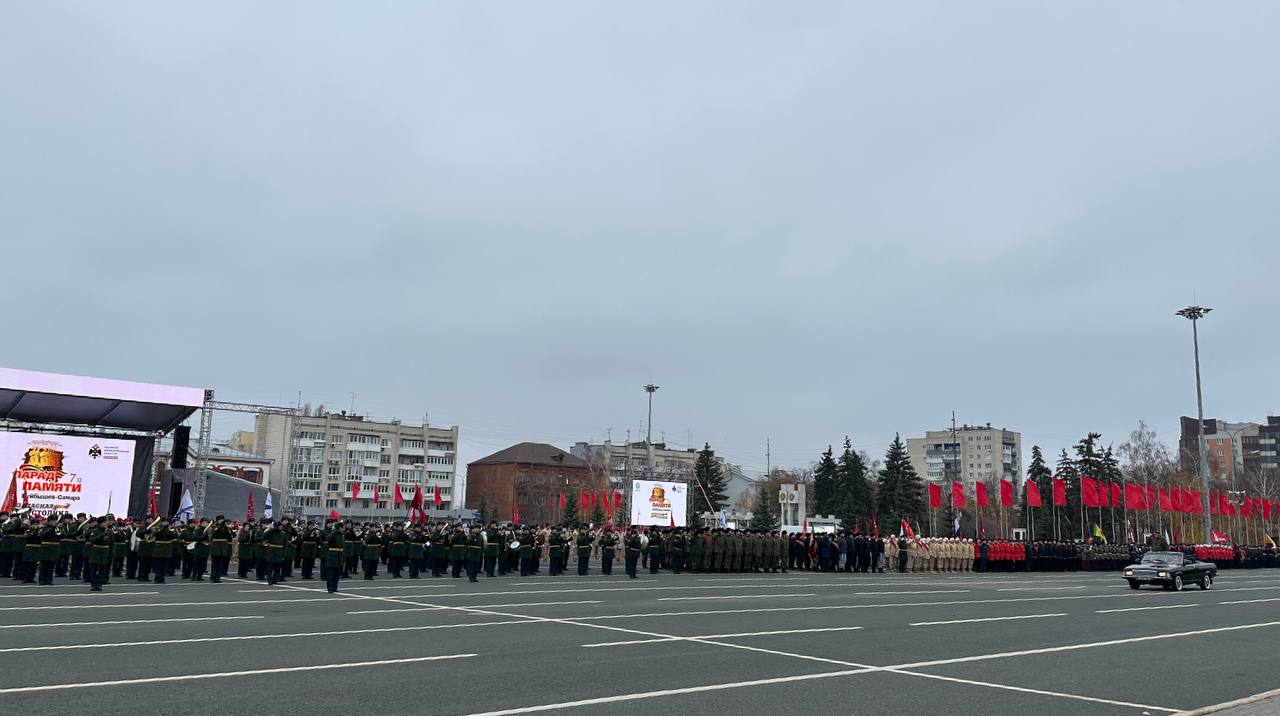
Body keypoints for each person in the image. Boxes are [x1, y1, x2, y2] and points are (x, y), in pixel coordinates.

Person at [84, 516, 114, 591]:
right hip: (96, 551)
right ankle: (94, 584)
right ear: (100, 523)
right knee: (94, 569)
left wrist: (111, 553)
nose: (106, 523)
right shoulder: (95, 531)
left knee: (102, 569)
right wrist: (101, 535)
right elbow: (92, 540)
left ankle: (99, 584)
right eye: (104, 522)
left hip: (105, 552)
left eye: (106, 522)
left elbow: (112, 543)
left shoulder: (109, 531)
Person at [321, 519, 345, 593]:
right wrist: (334, 531)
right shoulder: (333, 533)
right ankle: (330, 587)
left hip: (339, 555)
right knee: (330, 573)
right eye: (342, 527)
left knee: (337, 574)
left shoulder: (342, 535)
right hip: (332, 555)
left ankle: (335, 587)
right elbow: (328, 539)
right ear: (338, 528)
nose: (343, 529)